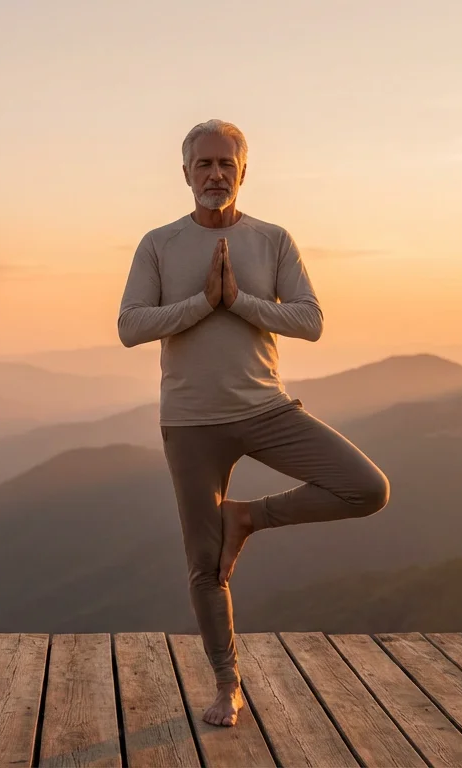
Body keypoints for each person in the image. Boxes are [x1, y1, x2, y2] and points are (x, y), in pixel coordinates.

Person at [117, 119, 389, 727]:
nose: (215, 175)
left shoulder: (273, 240)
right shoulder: (159, 244)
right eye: (203, 165)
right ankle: (226, 684)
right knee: (205, 566)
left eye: (225, 165)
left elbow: (310, 319)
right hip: (190, 423)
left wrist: (238, 301)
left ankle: (247, 516)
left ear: (244, 171)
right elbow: (130, 326)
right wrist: (200, 304)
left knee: (367, 488)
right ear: (185, 172)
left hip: (267, 409)